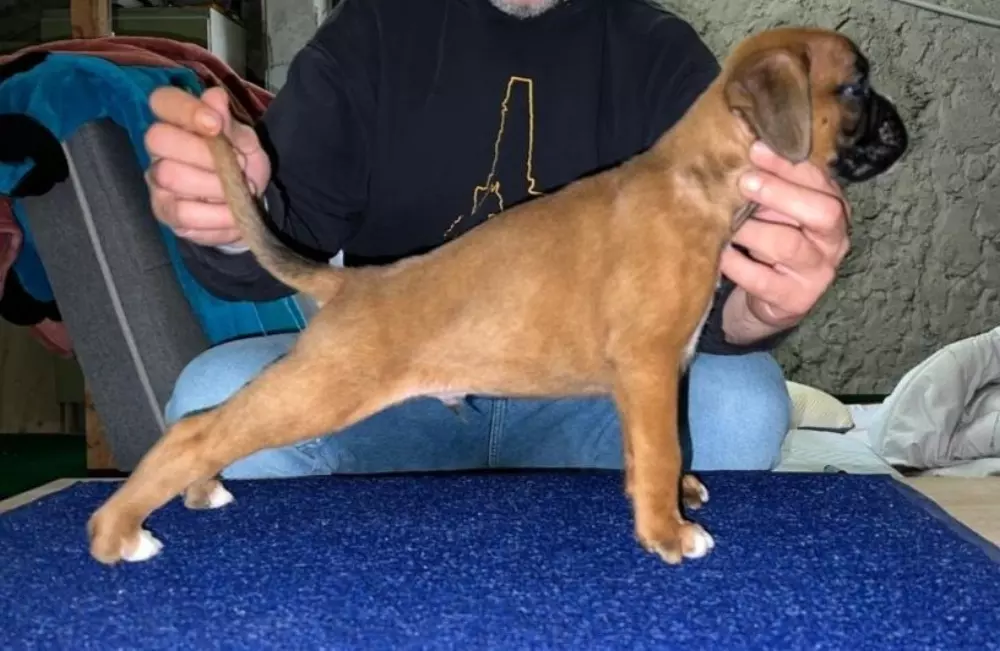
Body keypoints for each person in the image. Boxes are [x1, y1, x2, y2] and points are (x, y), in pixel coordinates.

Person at [145, 0, 850, 479]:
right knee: (214, 390)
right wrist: (231, 216)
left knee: (743, 403)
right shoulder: (369, 33)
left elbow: (701, 301)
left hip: (591, 392)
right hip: (396, 379)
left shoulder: (663, 55)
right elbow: (280, 243)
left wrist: (756, 309)